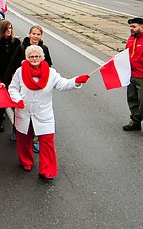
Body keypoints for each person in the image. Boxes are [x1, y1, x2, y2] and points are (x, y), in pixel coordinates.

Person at [7, 45, 89, 182]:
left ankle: (47, 170)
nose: (34, 59)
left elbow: (63, 84)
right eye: (31, 57)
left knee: (47, 142)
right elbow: (13, 88)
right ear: (27, 58)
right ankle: (26, 161)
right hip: (24, 111)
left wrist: (76, 81)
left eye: (37, 56)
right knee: (23, 139)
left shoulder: (51, 73)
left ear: (42, 57)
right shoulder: (20, 72)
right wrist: (19, 100)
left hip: (43, 114)